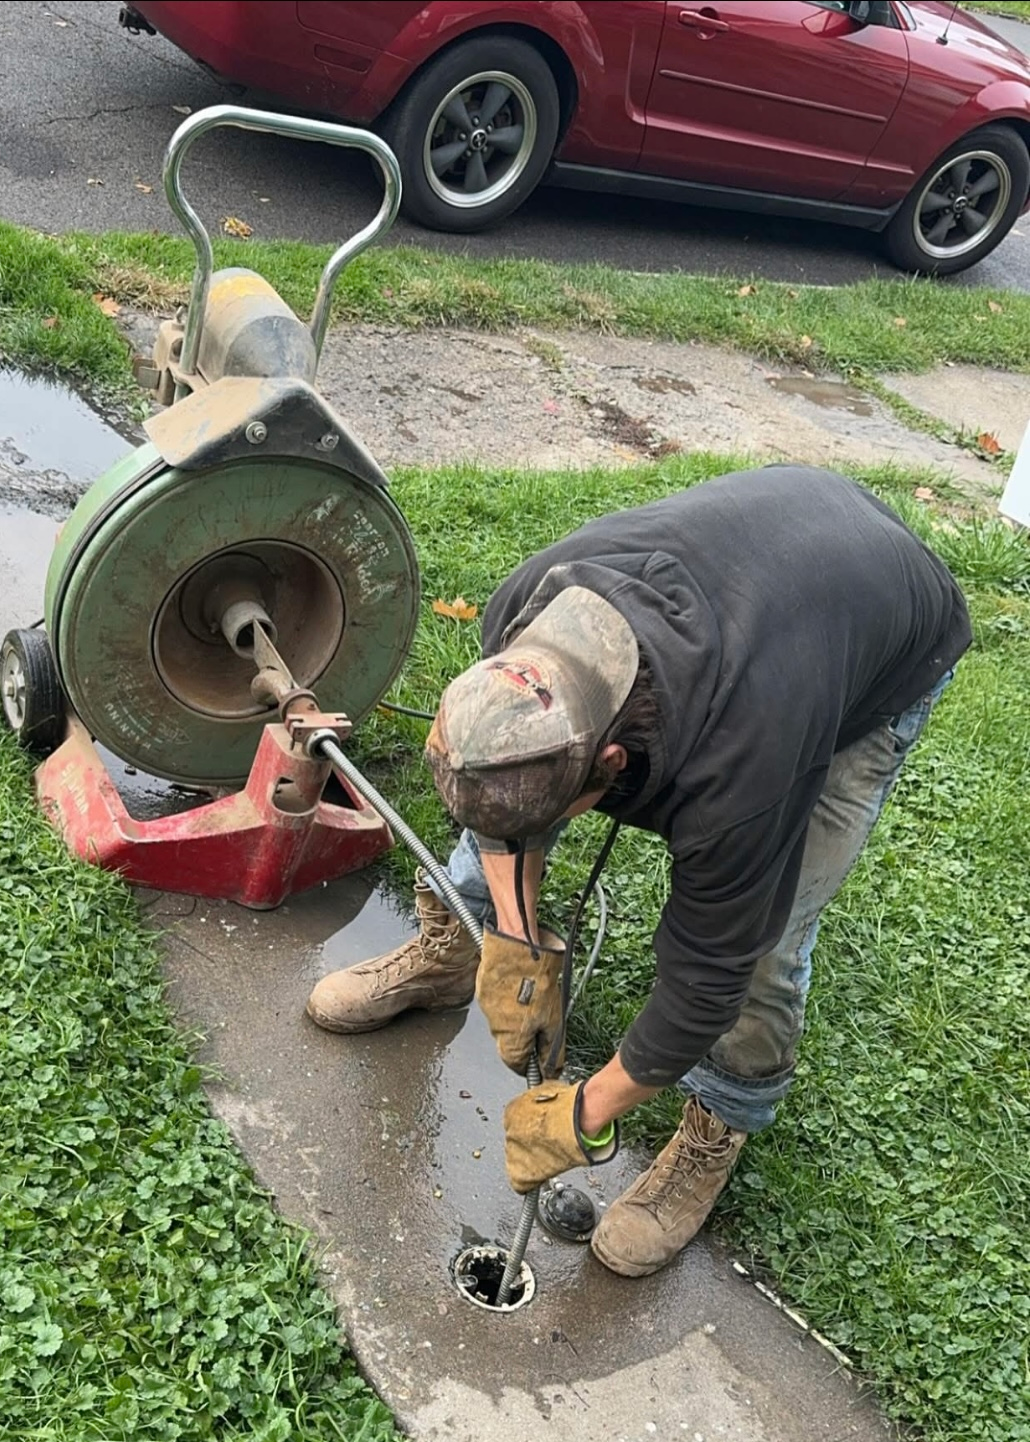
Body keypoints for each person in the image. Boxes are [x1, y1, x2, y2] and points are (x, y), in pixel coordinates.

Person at [307, 466, 970, 1278]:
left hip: (879, 636)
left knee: (767, 943)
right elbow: (504, 808)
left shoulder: (742, 774)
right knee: (504, 801)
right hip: (770, 563)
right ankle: (454, 953)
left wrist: (584, 1114)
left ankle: (718, 1122)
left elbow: (707, 979)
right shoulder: (525, 616)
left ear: (614, 764)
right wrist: (514, 943)